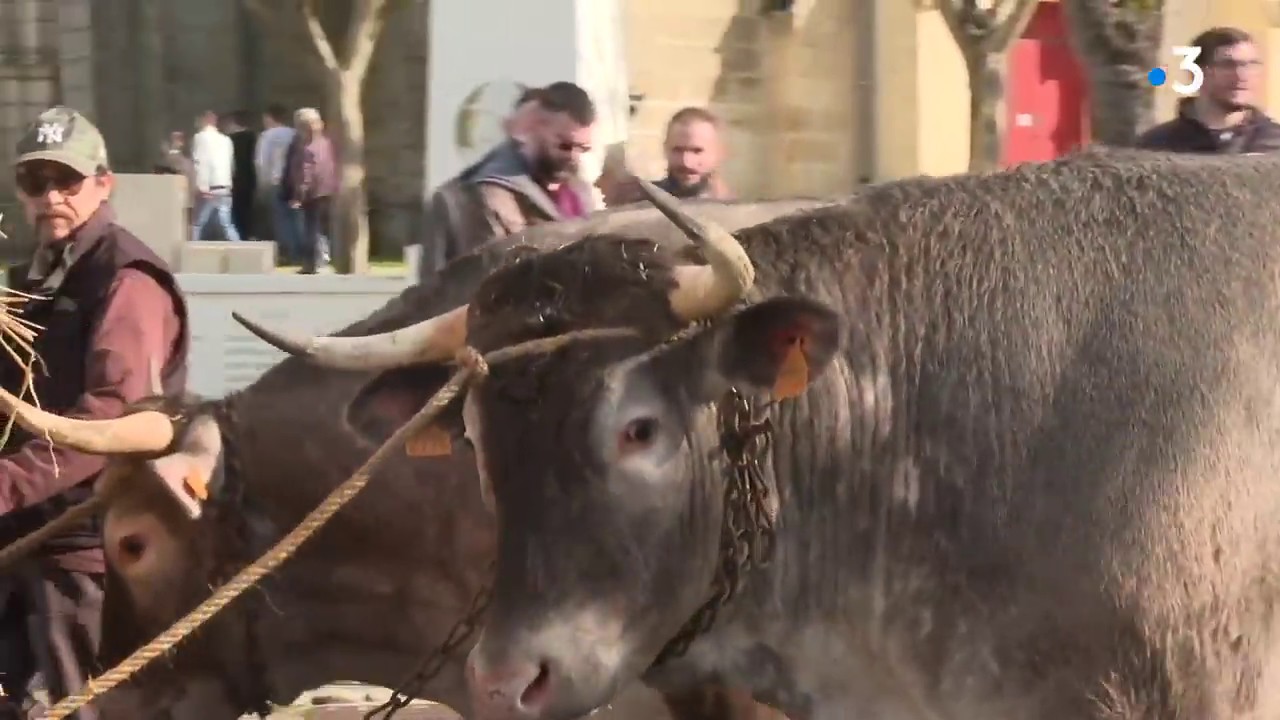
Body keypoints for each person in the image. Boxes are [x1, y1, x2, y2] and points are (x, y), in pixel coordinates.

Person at [0, 106, 189, 718]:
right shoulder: (29, 278)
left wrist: (3, 486)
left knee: (75, 706)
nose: (51, 195)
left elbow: (109, 416)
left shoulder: (126, 281)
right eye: (35, 182)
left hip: (83, 545)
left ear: (104, 184)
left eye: (68, 180)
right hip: (22, 531)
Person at [416, 81, 596, 282]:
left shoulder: (581, 195)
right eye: (563, 145)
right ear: (535, 127)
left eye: (583, 148)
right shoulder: (467, 201)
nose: (573, 156)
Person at [1136, 26, 1280, 153]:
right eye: (1227, 65)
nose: (1241, 75)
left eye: (1251, 65)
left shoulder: (1274, 142)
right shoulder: (1157, 145)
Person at [604, 106, 732, 206]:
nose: (686, 162)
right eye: (677, 150)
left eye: (697, 151)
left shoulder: (735, 214)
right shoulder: (639, 204)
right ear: (665, 149)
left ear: (719, 153)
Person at [286, 107, 338, 274]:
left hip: (313, 193)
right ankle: (319, 259)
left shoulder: (307, 147)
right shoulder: (327, 143)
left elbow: (306, 173)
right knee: (319, 228)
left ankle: (313, 263)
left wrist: (298, 196)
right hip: (327, 189)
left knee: (311, 229)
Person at [255, 103, 300, 263]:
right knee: (296, 217)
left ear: (269, 118)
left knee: (281, 219)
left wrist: (262, 184)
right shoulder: (294, 134)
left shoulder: (267, 136)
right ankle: (302, 250)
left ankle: (288, 252)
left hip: (276, 180)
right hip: (294, 180)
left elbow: (262, 162)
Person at [189, 110, 241, 241]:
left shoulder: (200, 137)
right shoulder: (226, 139)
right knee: (226, 223)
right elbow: (231, 164)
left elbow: (201, 162)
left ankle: (192, 248)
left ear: (204, 120)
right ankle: (239, 245)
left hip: (210, 186)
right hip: (224, 186)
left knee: (197, 223)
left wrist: (202, 186)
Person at [222, 109, 258, 240]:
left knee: (236, 210)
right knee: (248, 208)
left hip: (235, 179)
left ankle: (239, 236)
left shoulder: (228, 140)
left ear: (232, 122)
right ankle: (249, 234)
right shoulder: (253, 137)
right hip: (250, 178)